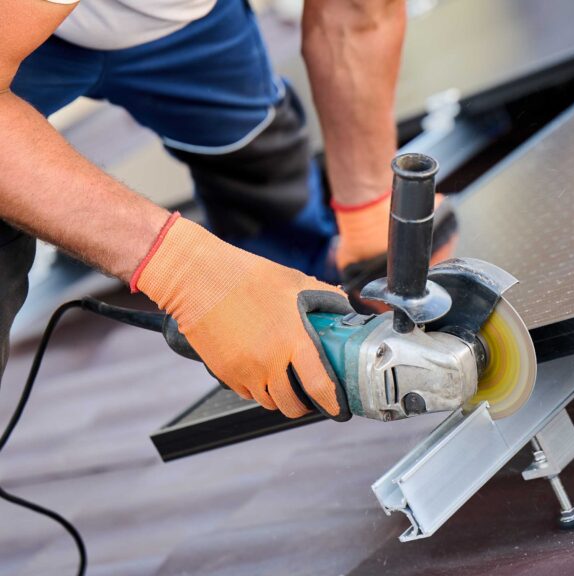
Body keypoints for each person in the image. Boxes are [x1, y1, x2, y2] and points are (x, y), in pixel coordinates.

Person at [0, 0, 418, 419]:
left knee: (266, 176)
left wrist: (368, 215)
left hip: (183, 22)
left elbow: (357, 9)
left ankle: (303, 345)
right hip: (30, 34)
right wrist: (188, 273)